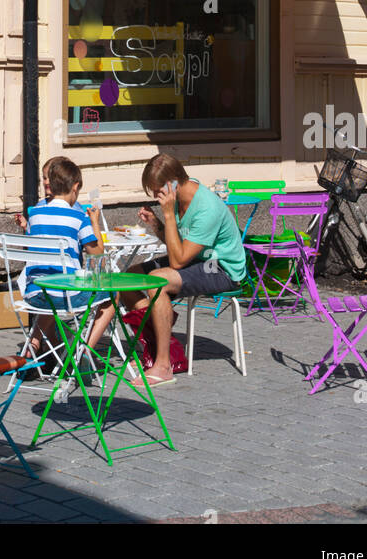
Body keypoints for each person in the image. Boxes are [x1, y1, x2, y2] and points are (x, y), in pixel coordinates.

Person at [125, 153, 247, 386]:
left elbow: (178, 261)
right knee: (129, 278)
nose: (155, 196)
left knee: (157, 281)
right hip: (196, 260)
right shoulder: (180, 199)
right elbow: (178, 248)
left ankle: (163, 366)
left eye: (157, 190)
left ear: (173, 183)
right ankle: (153, 347)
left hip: (222, 268)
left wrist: (169, 214)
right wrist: (157, 224)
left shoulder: (206, 207)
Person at [23, 157, 115, 351]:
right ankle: (82, 352)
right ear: (75, 186)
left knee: (50, 284)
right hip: (65, 295)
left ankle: (37, 343)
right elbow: (97, 253)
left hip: (33, 293)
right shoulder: (78, 217)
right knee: (112, 295)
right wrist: (94, 222)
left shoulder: (35, 215)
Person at [13, 157, 62, 231]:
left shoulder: (73, 207)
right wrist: (26, 226)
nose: (46, 182)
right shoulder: (39, 207)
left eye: (51, 178)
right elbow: (36, 235)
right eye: (45, 178)